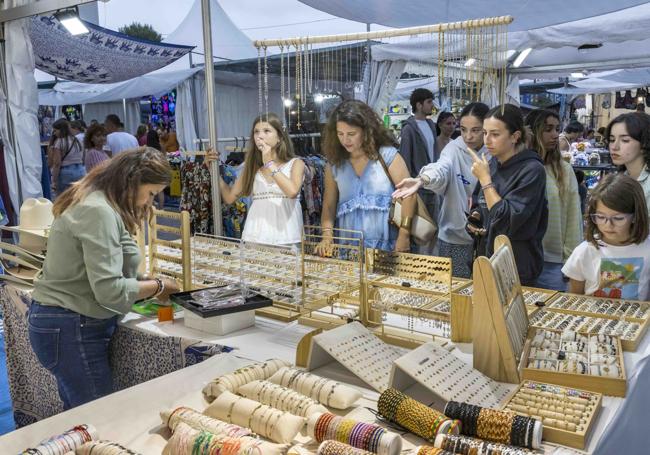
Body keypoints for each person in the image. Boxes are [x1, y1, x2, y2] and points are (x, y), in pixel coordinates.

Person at [29, 148, 180, 410]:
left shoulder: (97, 201)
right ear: (132, 181)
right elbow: (109, 290)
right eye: (151, 193)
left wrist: (142, 280)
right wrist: (158, 286)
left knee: (81, 418)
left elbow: (102, 269)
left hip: (65, 324)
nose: (148, 202)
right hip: (71, 326)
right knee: (98, 419)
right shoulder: (98, 211)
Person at [393, 102, 490, 278]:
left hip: (488, 239)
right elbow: (441, 167)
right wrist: (422, 179)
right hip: (455, 236)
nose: (468, 136)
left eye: (476, 130)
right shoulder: (454, 148)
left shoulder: (493, 152)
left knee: (485, 293)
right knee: (456, 292)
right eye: (463, 129)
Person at [318, 100, 415, 253]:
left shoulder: (387, 155)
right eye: (340, 134)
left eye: (351, 134)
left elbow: (409, 195)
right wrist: (327, 235)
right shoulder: (334, 164)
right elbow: (329, 205)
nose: (345, 140)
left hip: (389, 245)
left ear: (366, 131)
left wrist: (404, 234)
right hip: (350, 248)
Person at [467, 104, 548, 286]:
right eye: (485, 133)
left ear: (515, 136)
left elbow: (508, 221)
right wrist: (476, 218)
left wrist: (486, 180)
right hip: (486, 259)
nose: (487, 140)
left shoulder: (532, 170)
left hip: (516, 266)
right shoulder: (493, 163)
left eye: (495, 134)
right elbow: (480, 204)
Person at [214, 113, 305, 247]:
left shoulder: (296, 164)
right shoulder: (251, 166)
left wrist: (269, 163)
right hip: (255, 235)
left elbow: (292, 191)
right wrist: (214, 169)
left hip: (287, 236)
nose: (260, 136)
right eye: (256, 132)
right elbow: (229, 197)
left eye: (266, 131)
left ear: (279, 136)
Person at [562, 174, 649, 300]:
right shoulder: (584, 251)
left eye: (618, 218)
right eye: (601, 217)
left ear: (635, 216)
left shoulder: (647, 248)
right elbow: (574, 298)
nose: (608, 225)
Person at [525, 109, 582, 291]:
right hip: (523, 259)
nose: (555, 134)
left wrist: (571, 260)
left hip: (554, 263)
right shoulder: (521, 168)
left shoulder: (564, 170)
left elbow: (574, 218)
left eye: (557, 129)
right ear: (533, 131)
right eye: (548, 129)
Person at [398, 88, 438, 254]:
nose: (432, 105)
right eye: (429, 102)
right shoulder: (408, 129)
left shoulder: (431, 125)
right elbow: (405, 159)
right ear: (419, 104)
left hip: (432, 183)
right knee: (418, 228)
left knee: (431, 229)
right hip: (417, 187)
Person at [606, 112, 650, 215]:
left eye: (625, 140)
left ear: (644, 143)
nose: (614, 147)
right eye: (612, 140)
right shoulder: (620, 178)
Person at [48, 118, 86, 196]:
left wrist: (54, 180)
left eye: (55, 130)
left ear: (61, 130)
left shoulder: (59, 142)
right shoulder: (77, 140)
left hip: (66, 172)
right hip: (80, 171)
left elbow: (57, 163)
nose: (54, 133)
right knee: (77, 197)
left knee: (63, 199)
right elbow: (83, 157)